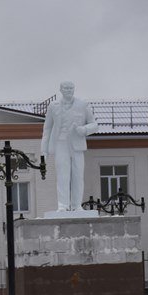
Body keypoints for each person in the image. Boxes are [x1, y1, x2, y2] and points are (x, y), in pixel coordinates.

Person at [39, 80, 98, 211]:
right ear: (61, 90)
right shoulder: (53, 106)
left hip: (77, 145)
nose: (69, 90)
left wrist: (84, 130)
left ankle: (77, 205)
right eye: (66, 88)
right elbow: (47, 128)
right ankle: (63, 205)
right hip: (60, 143)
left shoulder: (82, 105)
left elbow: (94, 124)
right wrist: (44, 149)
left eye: (71, 88)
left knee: (78, 175)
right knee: (62, 175)